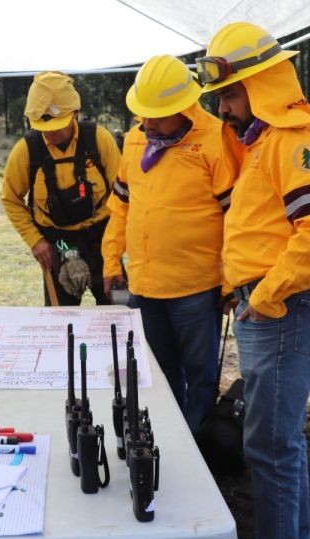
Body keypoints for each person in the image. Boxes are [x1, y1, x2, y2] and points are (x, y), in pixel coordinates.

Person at [198, 22, 310, 539]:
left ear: (260, 85)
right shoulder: (263, 140)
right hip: (272, 306)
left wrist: (263, 294)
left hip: (285, 306)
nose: (225, 109)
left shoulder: (293, 142)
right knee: (280, 442)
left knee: (269, 445)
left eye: (231, 96)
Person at [101, 55, 235, 433]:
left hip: (196, 287)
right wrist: (112, 261)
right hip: (145, 287)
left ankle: (198, 446)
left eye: (157, 114)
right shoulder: (135, 139)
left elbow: (235, 217)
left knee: (200, 375)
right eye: (143, 113)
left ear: (183, 105)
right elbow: (121, 206)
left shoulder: (215, 139)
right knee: (158, 374)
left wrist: (230, 280)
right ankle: (168, 441)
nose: (147, 122)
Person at [1, 71, 121, 306]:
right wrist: (35, 241)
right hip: (57, 244)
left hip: (103, 241)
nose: (50, 132)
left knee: (118, 316)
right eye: (43, 126)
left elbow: (123, 193)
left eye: (58, 125)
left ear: (74, 113)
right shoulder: (26, 151)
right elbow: (10, 199)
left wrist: (115, 247)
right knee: (60, 323)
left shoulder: (99, 140)